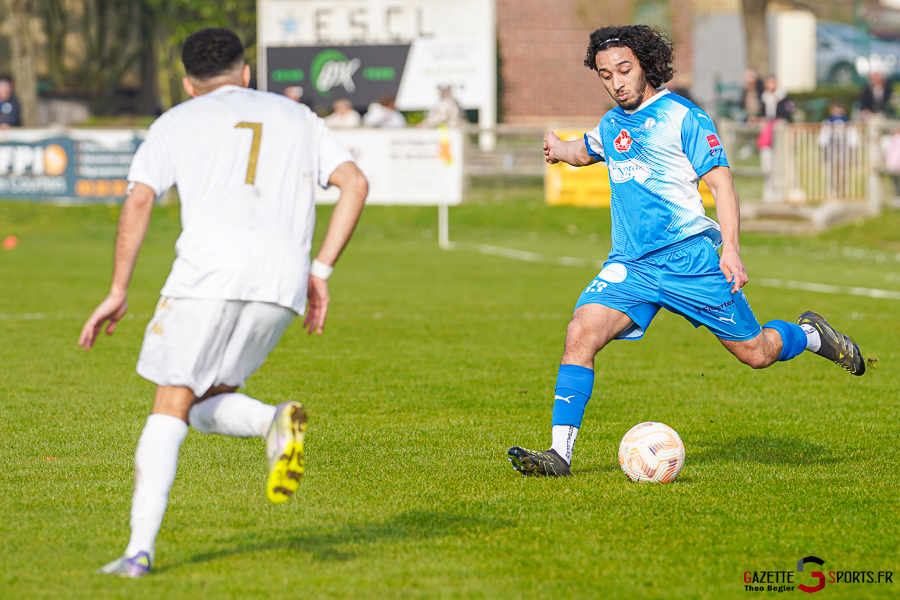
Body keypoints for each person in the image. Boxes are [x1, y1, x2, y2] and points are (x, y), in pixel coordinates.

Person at [507, 25, 867, 478]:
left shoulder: (684, 117)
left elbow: (722, 184)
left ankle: (811, 335)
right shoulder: (611, 122)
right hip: (632, 265)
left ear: (646, 64)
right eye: (605, 75)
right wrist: (558, 148)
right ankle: (559, 455)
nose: (616, 82)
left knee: (756, 352)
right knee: (580, 333)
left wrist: (730, 251)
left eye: (624, 69)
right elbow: (587, 150)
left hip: (691, 260)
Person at [78, 27, 368, 576]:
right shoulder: (298, 117)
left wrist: (118, 291)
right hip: (280, 285)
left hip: (206, 277)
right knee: (207, 400)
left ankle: (138, 551)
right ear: (245, 73)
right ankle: (272, 421)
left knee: (170, 403)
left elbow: (140, 199)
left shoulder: (176, 121)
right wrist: (320, 271)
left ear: (188, 84)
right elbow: (354, 182)